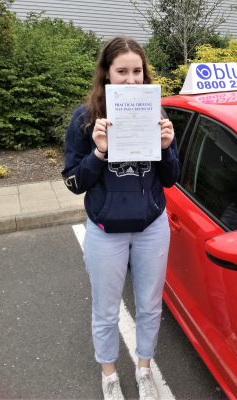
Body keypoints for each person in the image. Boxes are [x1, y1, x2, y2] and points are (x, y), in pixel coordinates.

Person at [61, 37, 180, 400]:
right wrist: (99, 151)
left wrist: (165, 149)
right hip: (105, 231)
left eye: (137, 71)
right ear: (107, 75)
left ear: (145, 75)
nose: (131, 80)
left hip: (151, 228)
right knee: (106, 307)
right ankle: (109, 374)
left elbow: (172, 178)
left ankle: (144, 370)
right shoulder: (86, 119)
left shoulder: (157, 114)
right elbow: (73, 182)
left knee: (149, 304)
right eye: (122, 71)